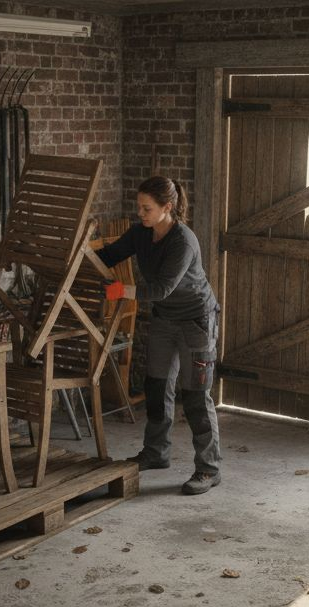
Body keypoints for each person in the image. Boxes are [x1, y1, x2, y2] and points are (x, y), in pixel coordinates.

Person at [96, 176, 223, 495]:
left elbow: (162, 289)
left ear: (168, 208)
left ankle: (208, 468)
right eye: (139, 206)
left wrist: (121, 290)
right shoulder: (140, 234)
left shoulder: (183, 241)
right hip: (166, 320)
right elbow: (109, 256)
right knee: (156, 386)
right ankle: (156, 453)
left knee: (195, 395)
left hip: (196, 320)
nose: (140, 212)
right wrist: (79, 253)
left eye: (146, 208)